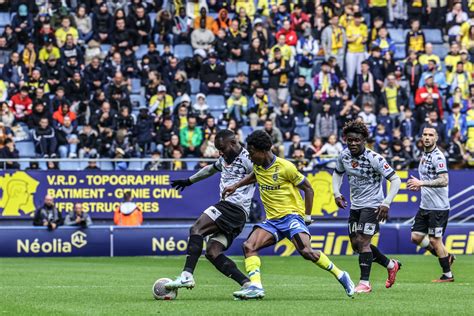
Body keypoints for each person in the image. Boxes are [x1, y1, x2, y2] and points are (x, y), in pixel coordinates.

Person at [222, 130, 355, 300]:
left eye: (252, 152)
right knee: (249, 246)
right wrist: (236, 185)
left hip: (292, 216)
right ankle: (256, 286)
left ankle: (341, 275)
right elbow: (255, 175)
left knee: (306, 251)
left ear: (263, 151)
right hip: (272, 221)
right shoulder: (258, 165)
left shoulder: (286, 167)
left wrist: (306, 217)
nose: (250, 156)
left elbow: (308, 188)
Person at [165, 130, 255, 293]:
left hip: (233, 207)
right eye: (218, 149)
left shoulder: (248, 159)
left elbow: (260, 174)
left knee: (196, 229)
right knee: (213, 252)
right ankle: (248, 284)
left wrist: (237, 186)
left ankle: (186, 276)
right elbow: (209, 170)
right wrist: (189, 181)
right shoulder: (225, 158)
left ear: (234, 143)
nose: (220, 152)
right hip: (236, 215)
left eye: (222, 148)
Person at [332, 120, 402, 293]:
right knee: (356, 245)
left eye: (357, 140)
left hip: (373, 206)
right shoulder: (344, 156)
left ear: (364, 140)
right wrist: (336, 193)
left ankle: (364, 283)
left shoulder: (375, 159)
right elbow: (337, 173)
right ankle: (391, 265)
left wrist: (386, 202)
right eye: (350, 140)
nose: (353, 143)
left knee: (363, 242)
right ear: (345, 139)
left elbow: (396, 179)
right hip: (355, 206)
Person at [407, 126, 456, 283]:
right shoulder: (425, 154)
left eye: (430, 135)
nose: (427, 137)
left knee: (435, 240)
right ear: (421, 137)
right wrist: (420, 185)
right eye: (425, 135)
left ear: (436, 138)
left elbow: (444, 180)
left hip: (438, 207)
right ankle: (447, 256)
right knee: (416, 237)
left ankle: (447, 275)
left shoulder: (438, 156)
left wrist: (421, 183)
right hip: (425, 205)